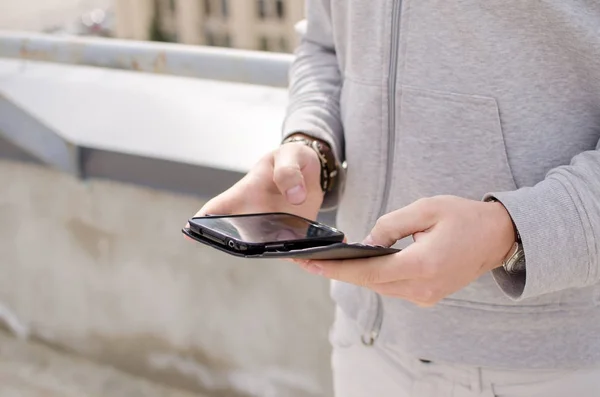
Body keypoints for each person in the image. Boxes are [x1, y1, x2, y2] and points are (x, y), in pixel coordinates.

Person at [189, 1, 600, 395]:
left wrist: (510, 231)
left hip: (548, 364)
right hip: (365, 340)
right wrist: (313, 142)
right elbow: (325, 43)